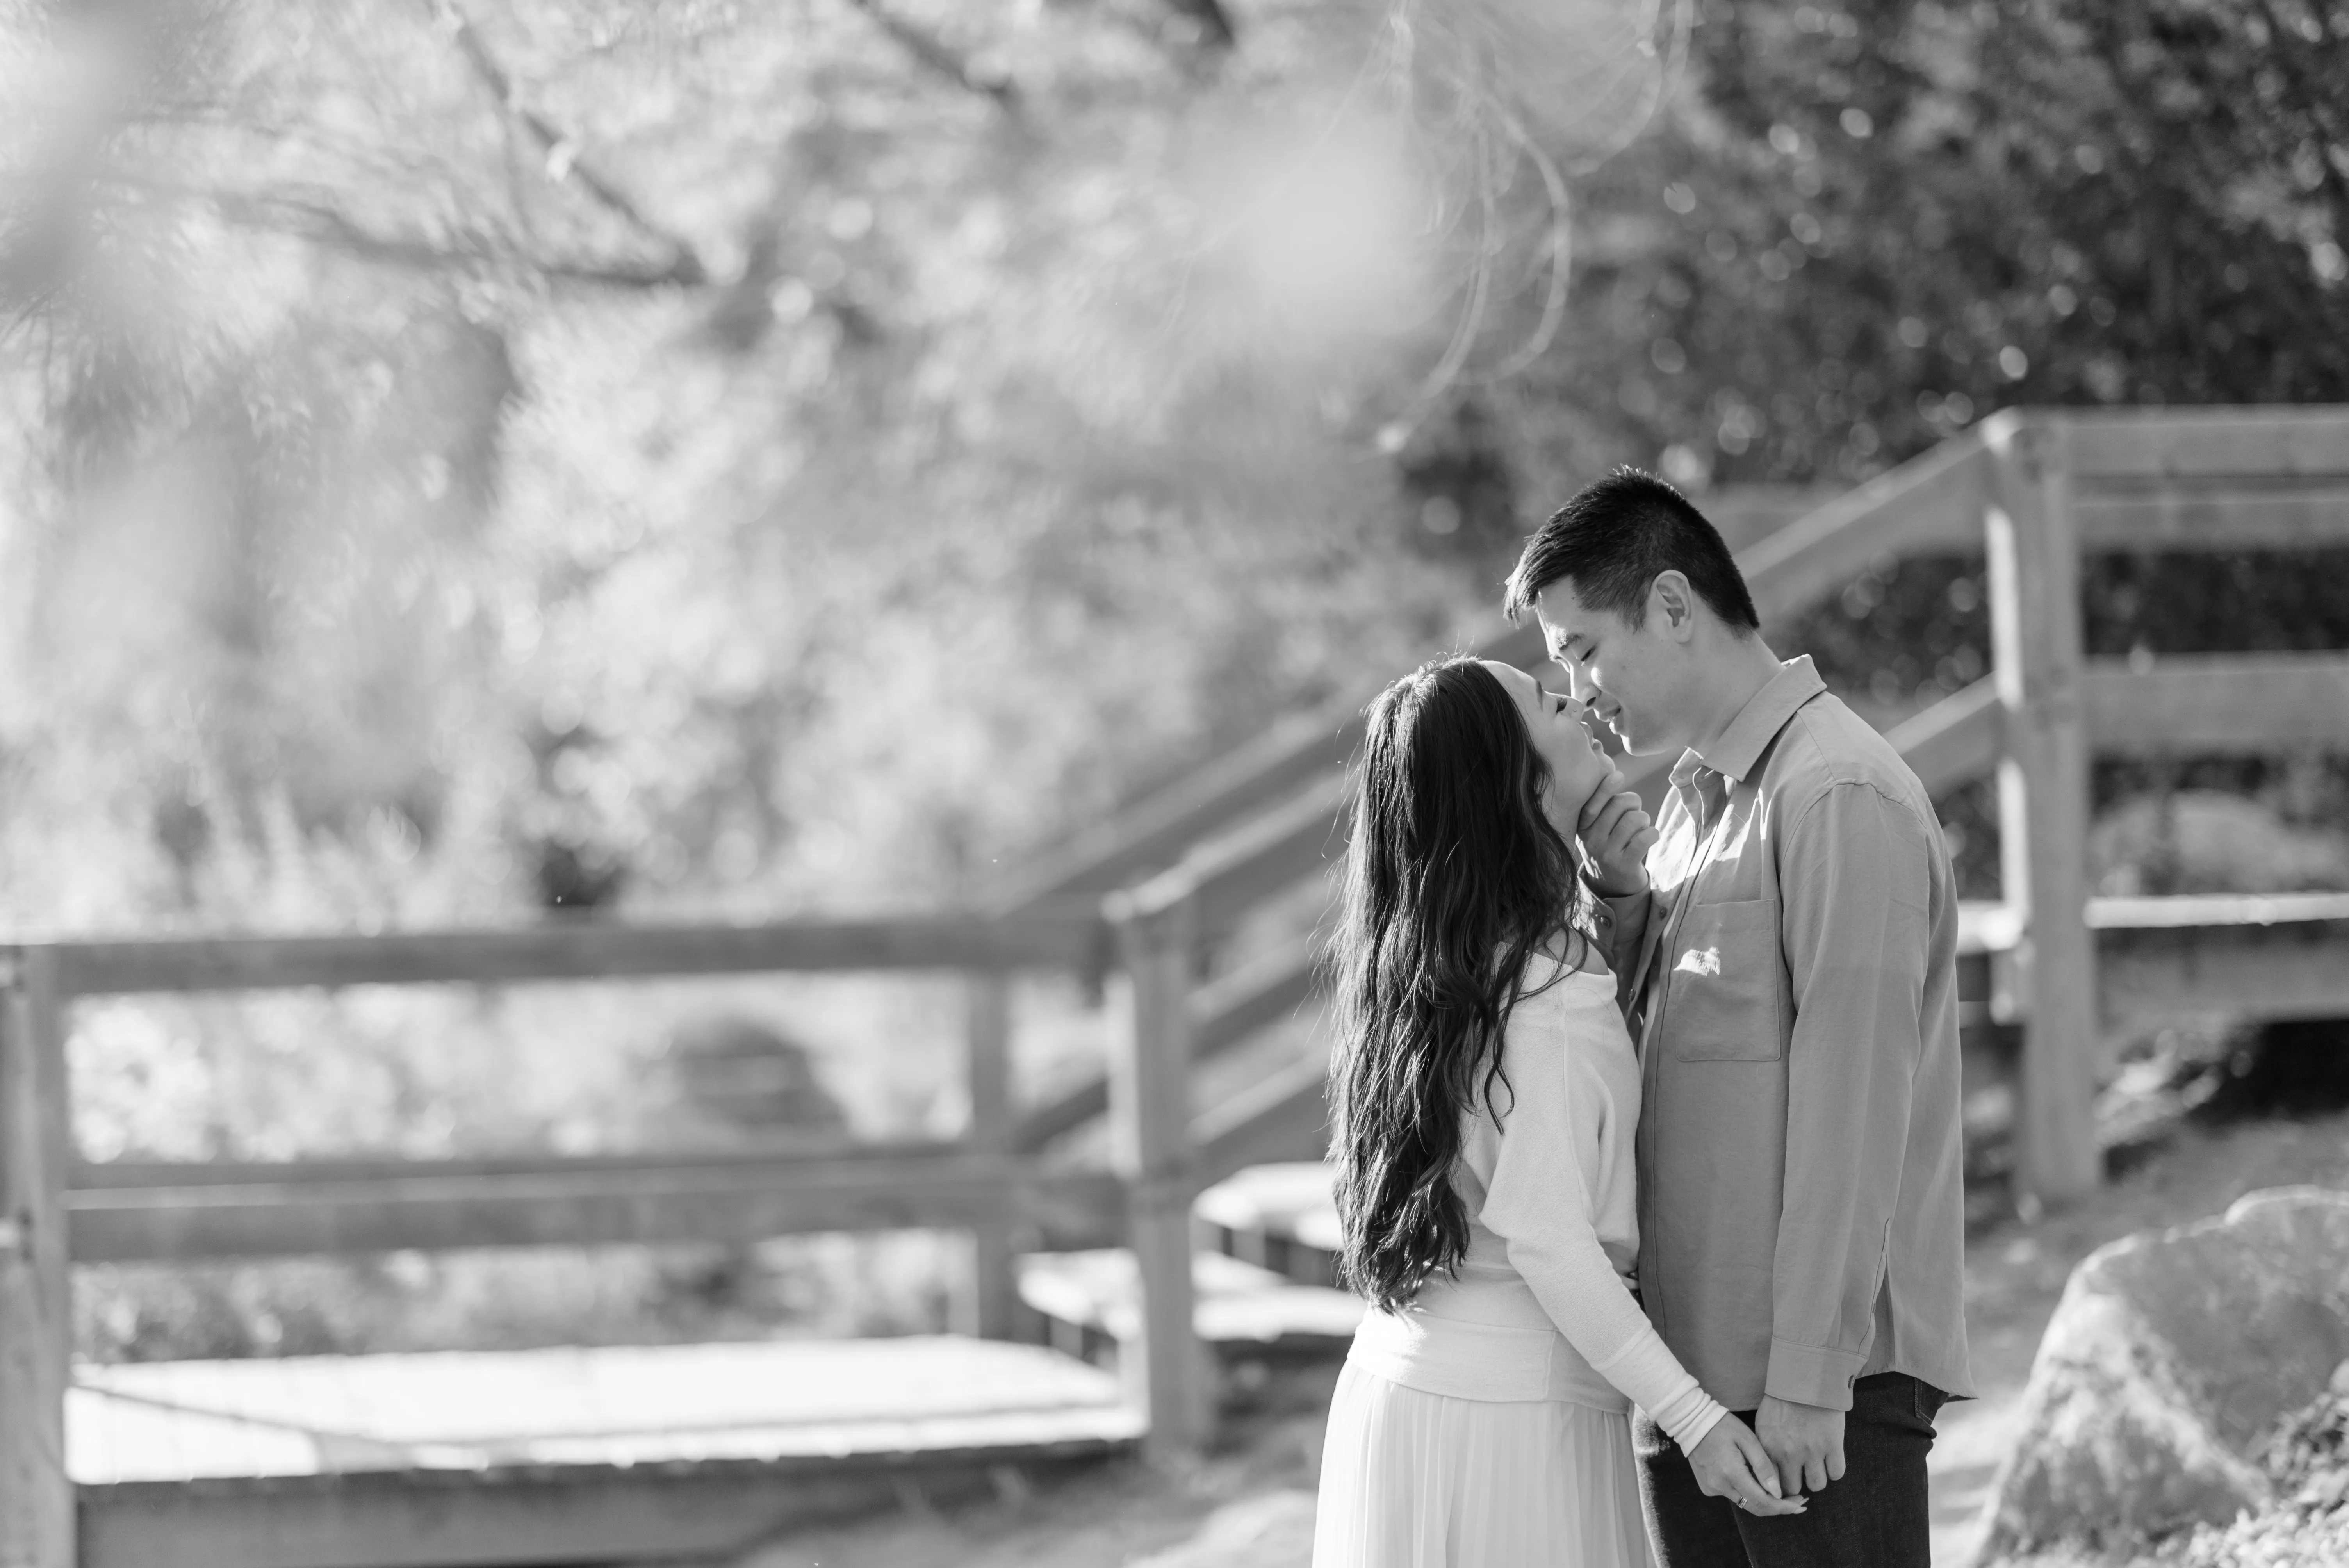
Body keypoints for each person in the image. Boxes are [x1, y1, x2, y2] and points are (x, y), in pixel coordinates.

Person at [1500, 469, 1973, 1568]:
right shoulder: (1691, 808)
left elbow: (1854, 1117)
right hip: (1701, 1389)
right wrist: (1619, 901)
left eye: (1582, 649)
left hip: (1817, 1390)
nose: (1576, 691)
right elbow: (1649, 1074)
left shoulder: (1836, 797)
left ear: (1672, 607)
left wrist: (1809, 1384)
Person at [1313, 655, 1803, 1568]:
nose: (1579, 702)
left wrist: (1613, 896)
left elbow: (1554, 1119)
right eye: (1549, 703)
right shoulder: (1543, 990)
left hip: (1409, 1383)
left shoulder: (1446, 969)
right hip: (1512, 1418)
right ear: (1519, 780)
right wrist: (1695, 1419)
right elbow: (1549, 1236)